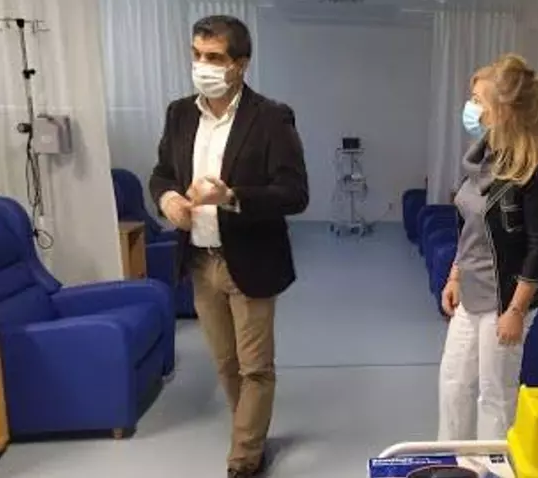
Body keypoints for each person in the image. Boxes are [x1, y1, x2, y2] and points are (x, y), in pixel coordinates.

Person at [148, 15, 308, 478]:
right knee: (225, 364)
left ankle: (244, 457)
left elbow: (295, 193)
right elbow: (162, 173)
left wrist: (232, 196)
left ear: (241, 63)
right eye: (197, 55)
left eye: (214, 57)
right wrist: (168, 199)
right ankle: (249, 432)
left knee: (255, 367)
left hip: (251, 260)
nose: (202, 66)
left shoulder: (271, 117)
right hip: (200, 260)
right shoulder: (179, 113)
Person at [438, 54, 538, 441]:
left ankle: (492, 466)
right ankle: (452, 461)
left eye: (478, 101)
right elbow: (470, 226)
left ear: (504, 109)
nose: (471, 108)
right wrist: (454, 276)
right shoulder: (482, 156)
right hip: (471, 292)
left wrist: (516, 311)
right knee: (453, 383)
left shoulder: (535, 168)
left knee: (495, 395)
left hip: (505, 300)